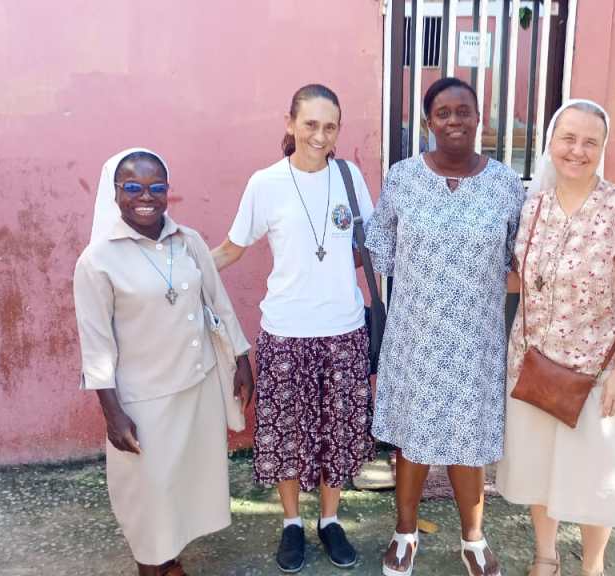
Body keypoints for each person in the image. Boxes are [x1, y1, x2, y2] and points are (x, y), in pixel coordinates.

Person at [210, 84, 376, 573]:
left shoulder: (349, 177)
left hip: (344, 330)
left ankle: (330, 519)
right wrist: (181, 270)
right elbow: (232, 248)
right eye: (310, 124)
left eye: (330, 127)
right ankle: (291, 523)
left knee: (336, 431)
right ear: (290, 123)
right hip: (285, 333)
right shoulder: (266, 184)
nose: (319, 136)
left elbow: (369, 245)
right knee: (287, 434)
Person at [365, 77, 524, 576]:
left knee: (469, 439)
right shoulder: (403, 178)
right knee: (413, 436)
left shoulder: (505, 185)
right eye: (443, 112)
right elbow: (381, 247)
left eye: (463, 111)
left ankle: (473, 539)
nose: (454, 120)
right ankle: (405, 533)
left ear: (480, 116)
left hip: (476, 338)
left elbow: (519, 259)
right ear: (428, 121)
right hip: (417, 335)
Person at [496, 100, 615, 576]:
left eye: (590, 142)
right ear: (551, 142)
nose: (577, 150)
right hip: (534, 366)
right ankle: (545, 557)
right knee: (539, 469)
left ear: (603, 148)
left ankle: (592, 565)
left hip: (599, 372)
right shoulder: (533, 207)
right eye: (568, 138)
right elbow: (516, 277)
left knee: (595, 478)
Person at [74, 148, 252, 576]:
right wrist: (112, 413)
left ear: (168, 191)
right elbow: (96, 345)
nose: (145, 196)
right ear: (115, 192)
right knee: (147, 491)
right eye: (132, 187)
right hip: (144, 399)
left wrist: (242, 358)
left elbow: (218, 302)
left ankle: (169, 559)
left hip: (197, 386)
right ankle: (150, 566)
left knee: (180, 484)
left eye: (156, 187)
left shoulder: (188, 241)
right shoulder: (97, 260)